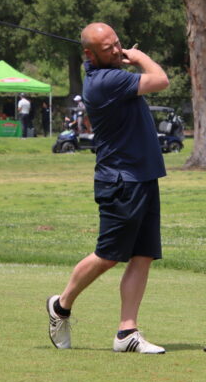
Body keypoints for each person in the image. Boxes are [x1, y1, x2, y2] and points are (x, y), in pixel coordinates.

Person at [47, 22, 169, 354]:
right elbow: (161, 80)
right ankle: (61, 305)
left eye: (117, 44)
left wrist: (121, 57)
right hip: (121, 181)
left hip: (142, 176)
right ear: (90, 54)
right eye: (108, 48)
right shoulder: (106, 81)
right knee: (108, 255)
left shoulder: (111, 72)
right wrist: (140, 56)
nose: (116, 51)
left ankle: (126, 333)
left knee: (143, 255)